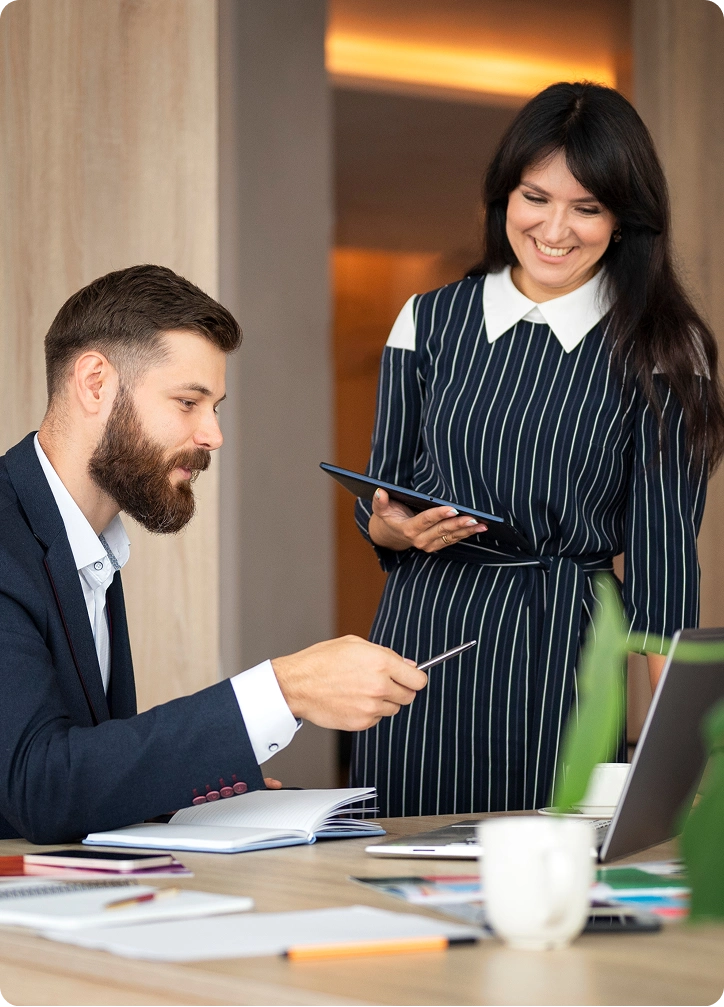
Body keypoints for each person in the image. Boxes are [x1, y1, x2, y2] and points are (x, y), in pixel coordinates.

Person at [350, 81, 724, 818]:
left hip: (569, 652)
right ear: (503, 198)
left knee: (552, 878)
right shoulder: (430, 320)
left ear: (624, 220)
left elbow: (663, 567)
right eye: (535, 197)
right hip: (422, 638)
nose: (557, 228)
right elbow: (383, 495)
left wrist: (680, 758)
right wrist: (390, 526)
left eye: (588, 207)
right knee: (402, 861)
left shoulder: (660, 347)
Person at [0, 264, 427, 844]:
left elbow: (78, 780)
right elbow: (38, 787)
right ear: (95, 382)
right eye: (187, 402)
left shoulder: (86, 545)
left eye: (215, 406)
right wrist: (284, 688)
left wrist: (192, 794)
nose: (213, 435)